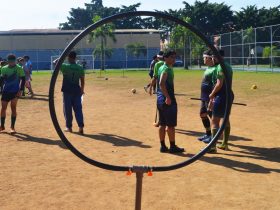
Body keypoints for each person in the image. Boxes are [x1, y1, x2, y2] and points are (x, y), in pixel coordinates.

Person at [157, 50, 184, 153]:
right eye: (172, 57)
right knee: (171, 125)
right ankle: (172, 147)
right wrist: (168, 97)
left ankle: (163, 146)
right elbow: (161, 83)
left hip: (160, 99)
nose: (174, 59)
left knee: (162, 124)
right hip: (167, 100)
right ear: (165, 58)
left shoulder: (161, 67)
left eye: (174, 57)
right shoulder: (166, 69)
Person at [208, 49, 234, 153]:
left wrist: (212, 94)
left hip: (221, 96)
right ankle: (224, 144)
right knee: (226, 119)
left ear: (219, 56)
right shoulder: (228, 65)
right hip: (229, 95)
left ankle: (213, 146)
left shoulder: (220, 67)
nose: (212, 59)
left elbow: (219, 83)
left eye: (214, 56)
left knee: (215, 120)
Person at [55, 51, 85, 134]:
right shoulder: (80, 67)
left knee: (67, 109)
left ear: (68, 57)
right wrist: (82, 90)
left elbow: (55, 62)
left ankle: (69, 127)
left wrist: (63, 57)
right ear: (75, 58)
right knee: (78, 109)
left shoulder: (65, 66)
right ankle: (80, 126)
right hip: (76, 90)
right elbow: (82, 80)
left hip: (67, 91)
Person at [197, 50, 219, 143]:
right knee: (202, 114)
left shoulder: (215, 69)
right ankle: (208, 134)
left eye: (204, 58)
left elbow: (215, 84)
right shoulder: (208, 68)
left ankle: (214, 137)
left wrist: (212, 97)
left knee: (212, 117)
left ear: (209, 58)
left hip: (209, 97)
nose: (203, 59)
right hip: (204, 96)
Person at [0, 54, 25, 134]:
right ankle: (2, 126)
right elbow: (1, 80)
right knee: (3, 108)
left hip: (15, 91)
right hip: (6, 91)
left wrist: (21, 90)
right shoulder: (3, 68)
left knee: (13, 108)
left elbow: (23, 79)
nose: (11, 63)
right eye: (10, 62)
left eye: (13, 62)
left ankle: (12, 127)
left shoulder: (19, 68)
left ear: (15, 61)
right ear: (7, 61)